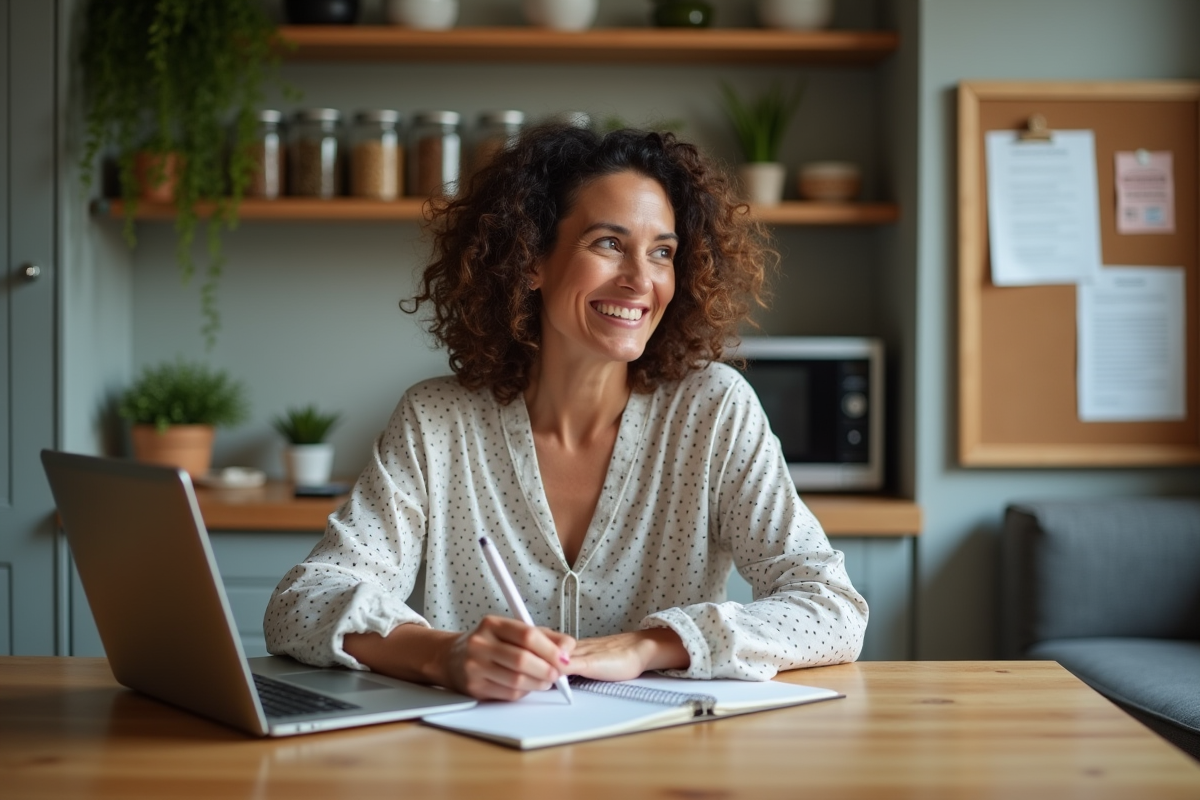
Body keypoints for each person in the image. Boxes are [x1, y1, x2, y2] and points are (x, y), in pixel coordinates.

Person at [264, 123, 868, 701]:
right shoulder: (436, 420)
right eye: (608, 243)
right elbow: (302, 603)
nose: (640, 280)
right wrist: (442, 656)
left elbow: (832, 608)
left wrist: (646, 645)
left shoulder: (713, 410)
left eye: (661, 252)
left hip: (666, 764)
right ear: (530, 260)